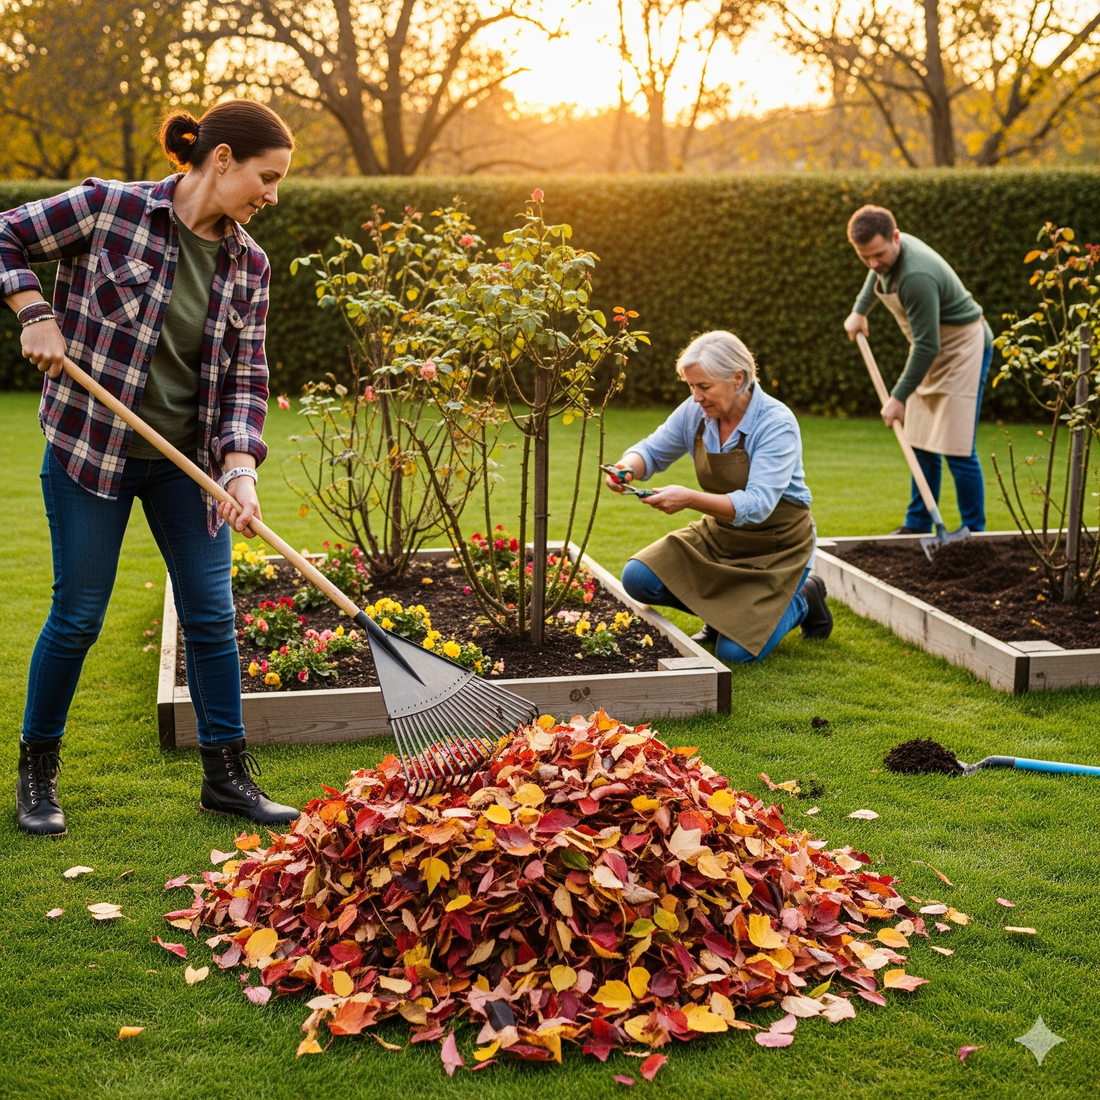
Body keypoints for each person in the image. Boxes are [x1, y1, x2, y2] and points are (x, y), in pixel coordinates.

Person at [2, 100, 301, 836]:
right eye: (267, 178)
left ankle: (226, 777)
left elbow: (247, 377)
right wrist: (33, 307)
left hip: (185, 465)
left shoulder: (248, 264)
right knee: (77, 617)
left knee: (213, 616)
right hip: (89, 448)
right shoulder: (109, 210)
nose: (272, 196)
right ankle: (37, 769)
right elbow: (6, 233)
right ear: (222, 158)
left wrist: (240, 468)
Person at [609, 330, 832, 664]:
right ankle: (721, 617)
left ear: (737, 379)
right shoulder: (696, 412)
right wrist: (627, 468)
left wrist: (688, 498)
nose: (696, 396)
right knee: (638, 577)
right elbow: (653, 450)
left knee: (734, 654)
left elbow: (757, 506)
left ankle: (805, 598)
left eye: (704, 387)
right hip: (721, 534)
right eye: (691, 386)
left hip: (775, 547)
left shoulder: (776, 423)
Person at [843, 204, 993, 534]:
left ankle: (976, 533)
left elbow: (927, 346)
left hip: (964, 348)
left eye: (879, 254)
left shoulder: (916, 277)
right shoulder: (887, 255)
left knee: (957, 446)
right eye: (864, 256)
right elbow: (876, 274)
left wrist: (897, 397)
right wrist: (860, 310)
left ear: (895, 238)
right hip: (933, 349)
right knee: (920, 439)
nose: (873, 263)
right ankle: (918, 523)